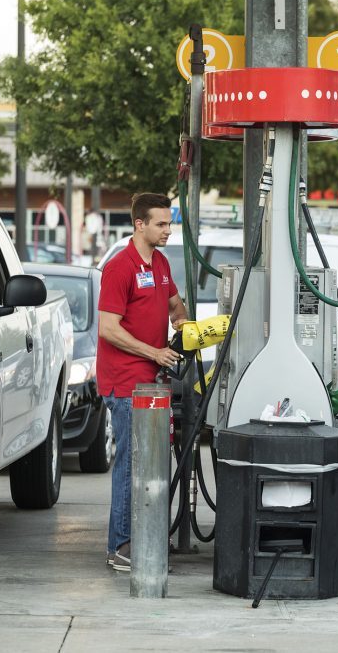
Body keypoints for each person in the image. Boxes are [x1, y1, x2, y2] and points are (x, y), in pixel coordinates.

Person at [97, 193, 188, 572]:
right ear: (139, 224)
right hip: (125, 382)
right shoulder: (120, 268)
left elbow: (174, 304)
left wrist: (184, 325)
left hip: (152, 380)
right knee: (131, 464)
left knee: (150, 463)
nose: (168, 230)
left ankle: (146, 534)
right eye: (161, 224)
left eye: (169, 223)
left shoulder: (162, 264)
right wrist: (153, 353)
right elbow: (107, 329)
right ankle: (121, 545)